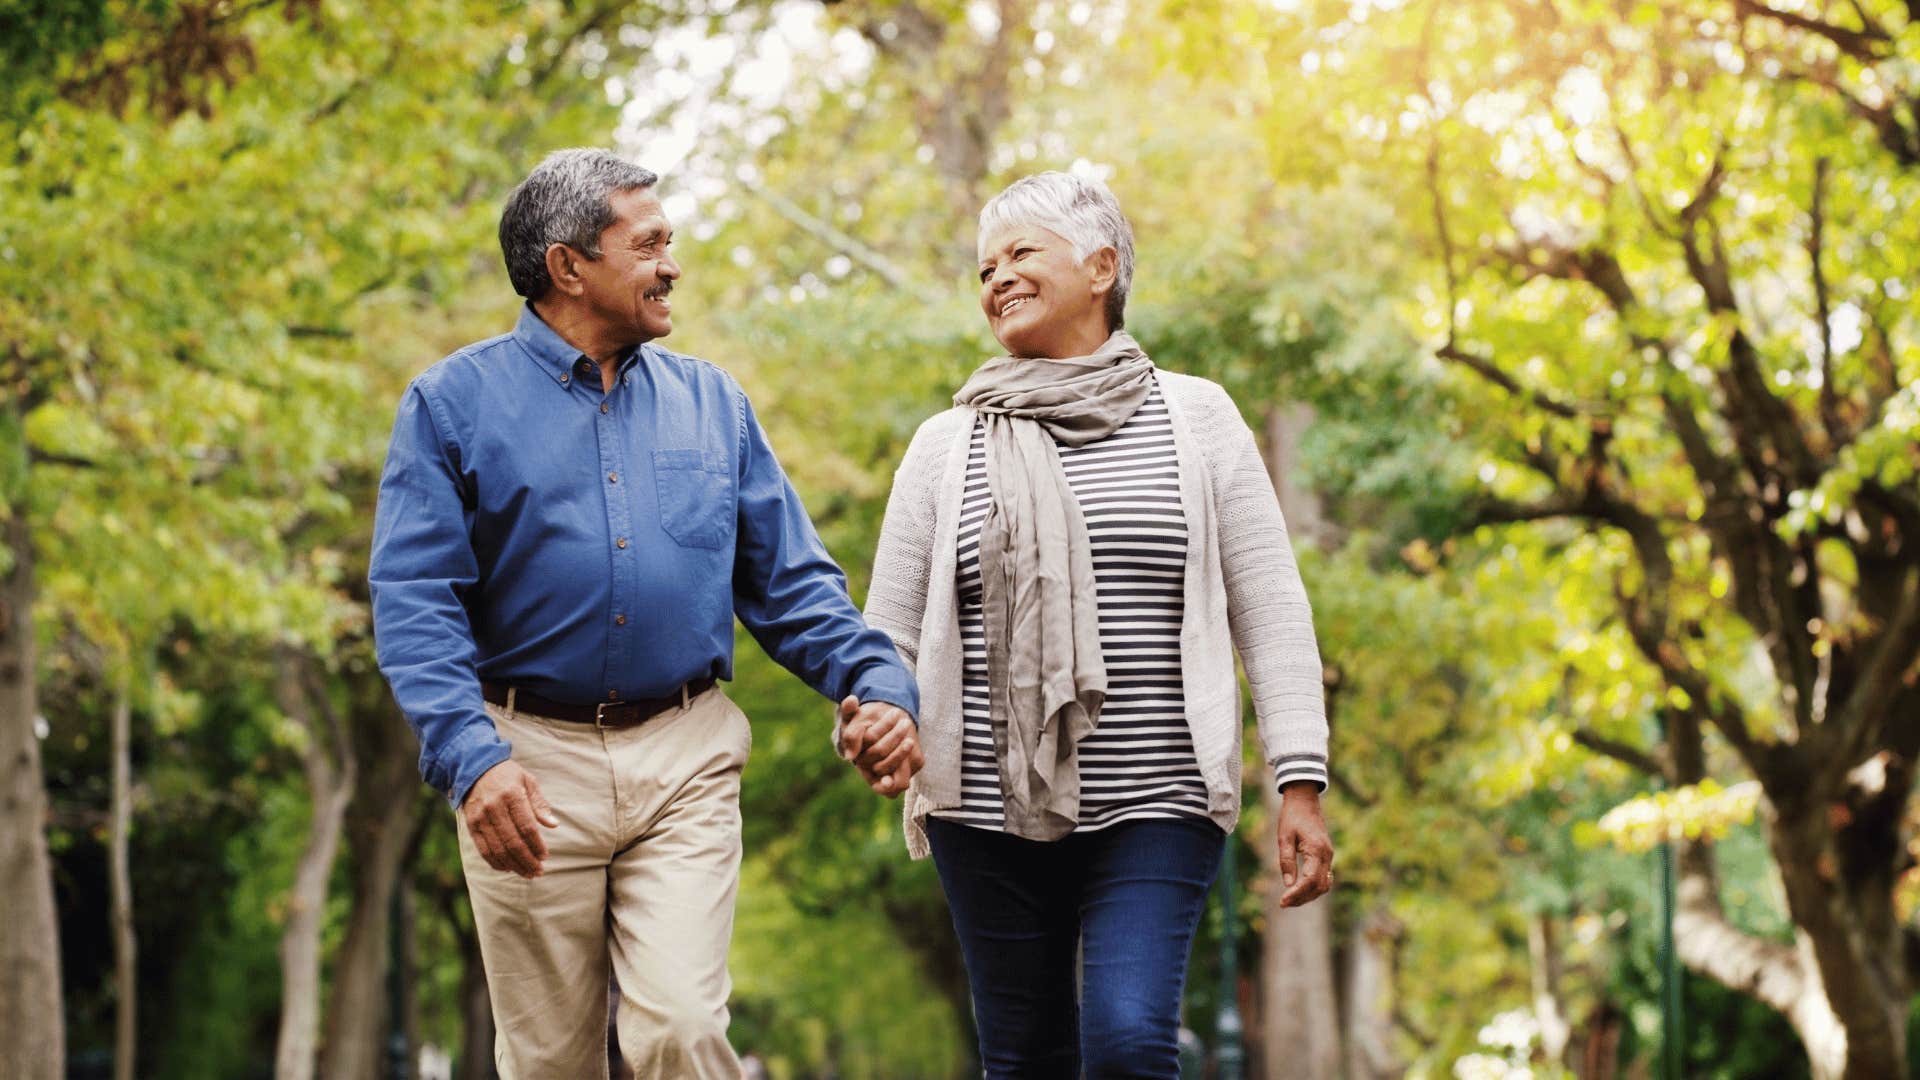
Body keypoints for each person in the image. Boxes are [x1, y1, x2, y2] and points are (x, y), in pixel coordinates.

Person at [370, 148, 922, 1078]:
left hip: (685, 752)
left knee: (677, 1030)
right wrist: (473, 759)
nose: (673, 264)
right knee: (551, 1062)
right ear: (568, 265)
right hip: (525, 766)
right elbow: (417, 602)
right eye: (650, 243)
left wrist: (875, 682)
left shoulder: (715, 405)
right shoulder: (450, 406)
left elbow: (790, 585)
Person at [849, 171, 1335, 1078]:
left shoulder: (1198, 417)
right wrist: (878, 711)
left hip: (1159, 796)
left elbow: (1270, 605)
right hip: (985, 808)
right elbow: (889, 630)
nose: (995, 277)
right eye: (984, 267)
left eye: (1021, 253)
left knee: (1125, 1042)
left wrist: (1299, 780)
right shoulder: (944, 445)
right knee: (1025, 1056)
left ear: (1102, 264)